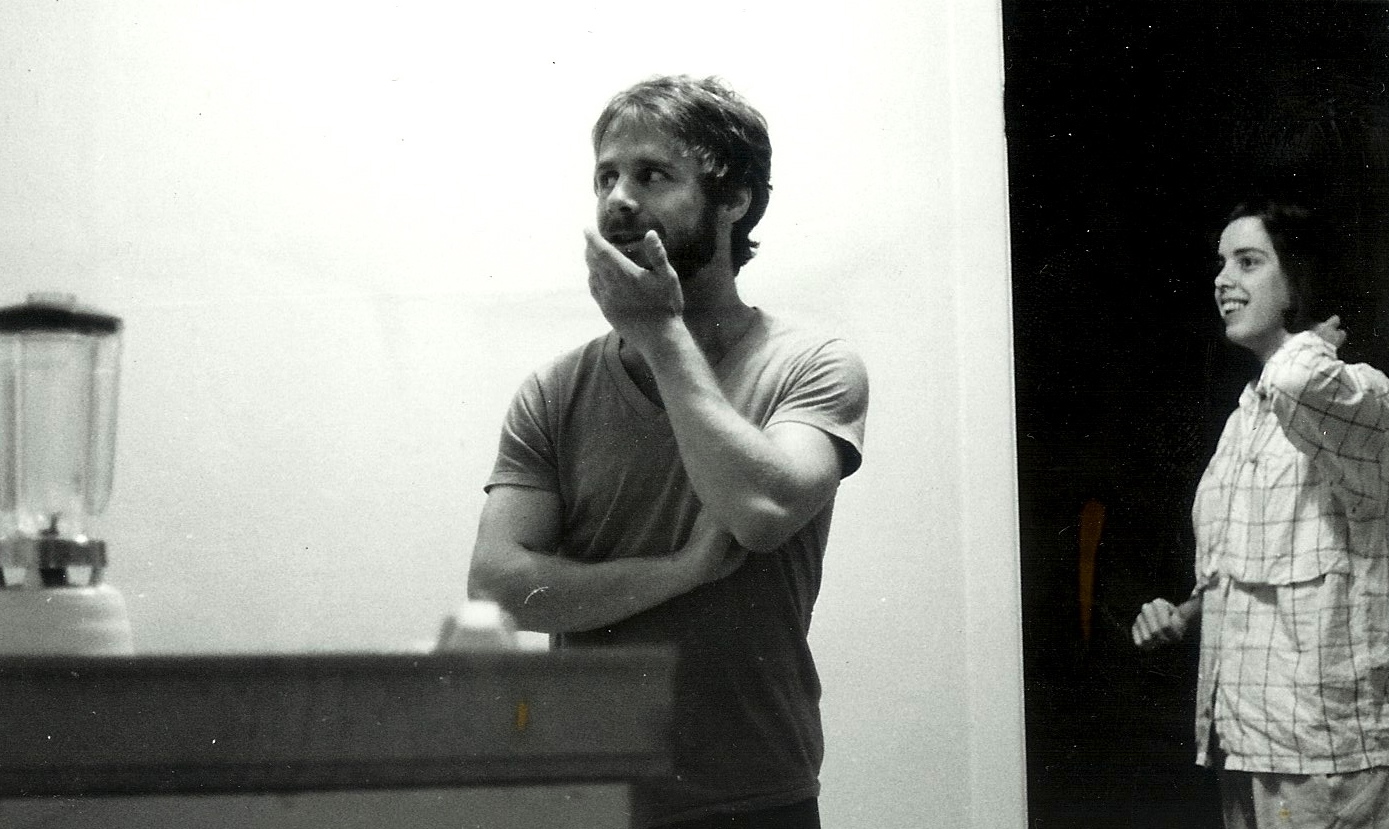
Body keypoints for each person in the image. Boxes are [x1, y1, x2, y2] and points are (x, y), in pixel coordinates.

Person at [466, 75, 869, 829]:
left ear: (735, 198)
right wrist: (677, 572)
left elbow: (760, 511)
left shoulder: (813, 365)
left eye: (652, 174)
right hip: (591, 798)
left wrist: (659, 333)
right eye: (605, 177)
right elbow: (497, 589)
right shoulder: (554, 391)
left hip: (755, 797)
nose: (618, 199)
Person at [1132, 199, 1389, 827]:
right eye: (1221, 264)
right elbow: (1239, 573)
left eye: (1247, 262)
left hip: (1326, 757)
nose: (1223, 280)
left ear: (1296, 281)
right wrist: (1184, 614)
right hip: (1242, 743)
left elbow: (1301, 381)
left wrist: (1311, 342)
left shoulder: (1359, 399)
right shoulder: (1244, 418)